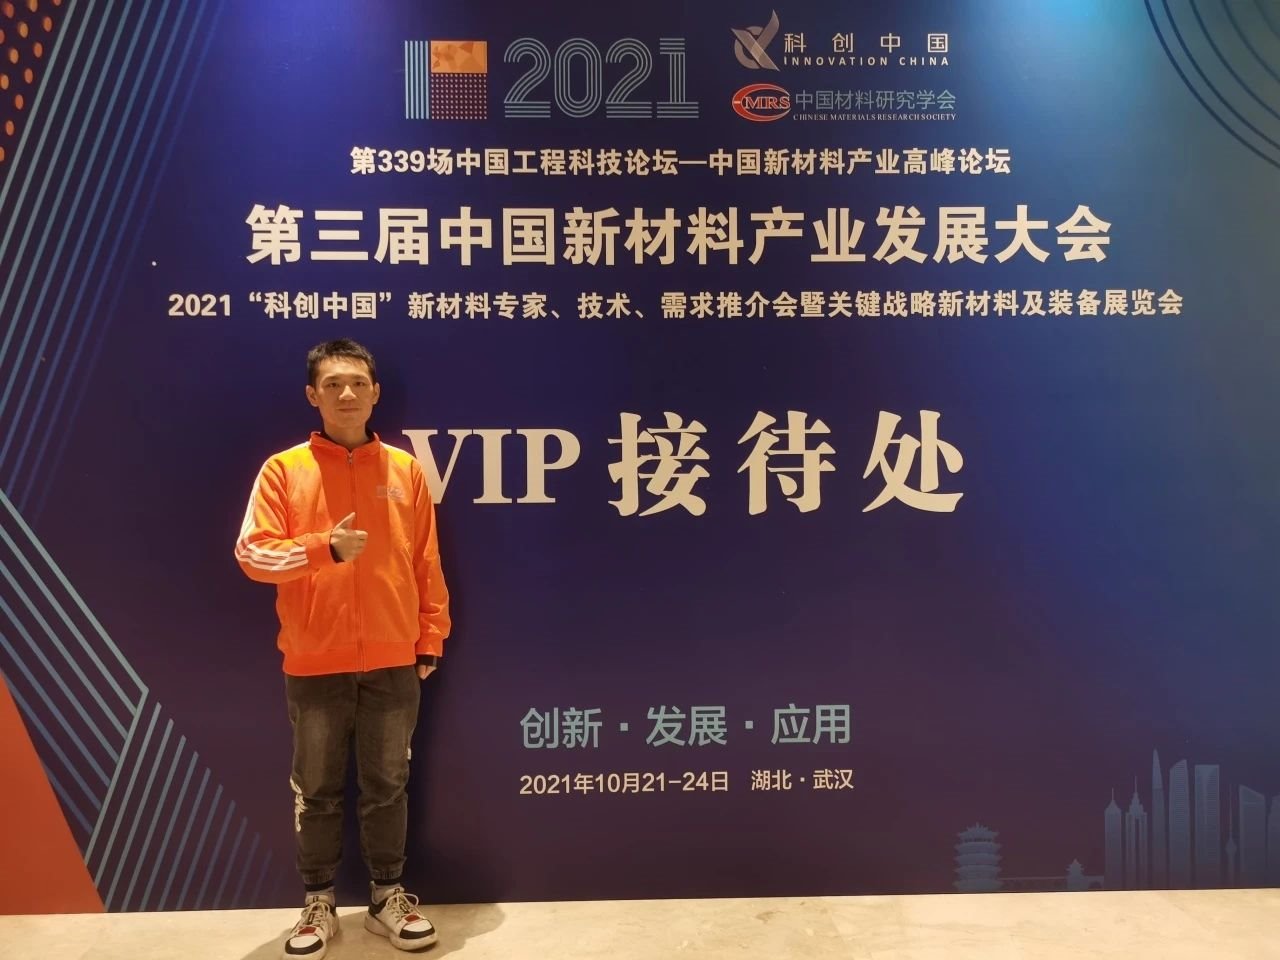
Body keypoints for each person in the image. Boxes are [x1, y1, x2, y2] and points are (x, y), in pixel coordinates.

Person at [234, 338, 450, 959]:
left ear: (375, 392)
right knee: (317, 789)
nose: (346, 394)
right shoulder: (283, 470)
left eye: (357, 383)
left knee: (388, 785)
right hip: (314, 659)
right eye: (332, 384)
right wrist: (322, 549)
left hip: (393, 658)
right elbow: (252, 554)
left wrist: (429, 634)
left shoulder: (405, 470)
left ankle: (387, 898)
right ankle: (318, 902)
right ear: (313, 395)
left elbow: (425, 561)